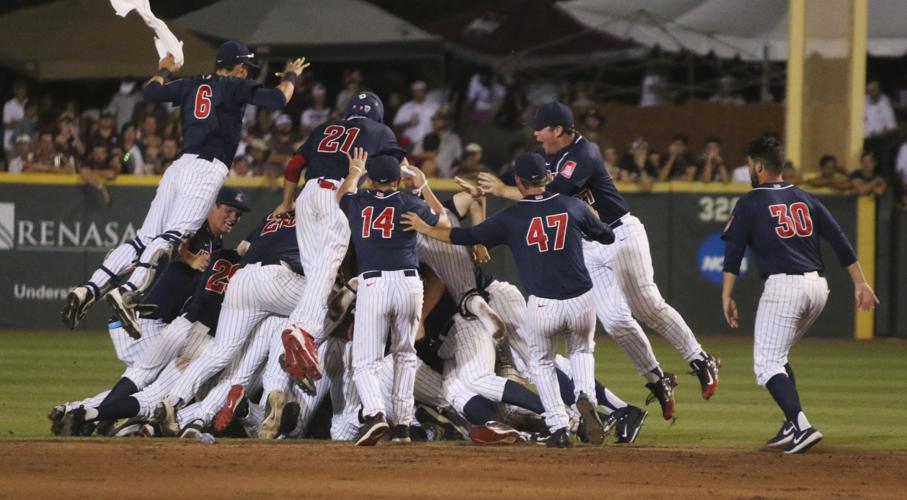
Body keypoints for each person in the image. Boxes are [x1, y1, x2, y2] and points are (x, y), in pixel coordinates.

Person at [475, 102, 721, 420]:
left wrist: (503, 191)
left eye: (541, 127)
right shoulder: (545, 157)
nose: (535, 132)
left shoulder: (584, 153)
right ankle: (658, 380)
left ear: (559, 130)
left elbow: (556, 194)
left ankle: (700, 359)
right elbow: (517, 176)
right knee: (615, 321)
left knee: (647, 304)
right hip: (588, 245)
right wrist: (481, 186)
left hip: (620, 233)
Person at [60, 41, 307, 337]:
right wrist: (291, 75)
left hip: (179, 166)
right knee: (173, 236)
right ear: (239, 66)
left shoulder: (191, 84)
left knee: (143, 239)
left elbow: (150, 92)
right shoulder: (233, 85)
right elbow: (280, 99)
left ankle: (91, 287)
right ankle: (127, 290)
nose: (246, 73)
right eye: (246, 68)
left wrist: (165, 67)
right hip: (206, 169)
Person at [405, 152, 616, 448]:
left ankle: (558, 426)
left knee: (540, 364)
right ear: (549, 177)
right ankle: (586, 398)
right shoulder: (573, 205)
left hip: (542, 304)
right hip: (581, 298)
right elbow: (607, 237)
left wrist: (427, 228)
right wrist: (594, 219)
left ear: (518, 181)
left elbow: (464, 236)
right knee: (582, 352)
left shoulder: (512, 216)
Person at [721, 135, 879, 454]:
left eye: (751, 163)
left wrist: (726, 295)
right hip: (818, 288)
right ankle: (789, 424)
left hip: (784, 287)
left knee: (766, 364)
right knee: (778, 357)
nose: (750, 168)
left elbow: (734, 252)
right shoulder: (806, 197)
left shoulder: (751, 201)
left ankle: (802, 426)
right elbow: (839, 239)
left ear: (760, 166)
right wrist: (860, 282)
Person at [273, 90, 403, 387]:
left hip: (307, 196)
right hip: (339, 193)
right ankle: (301, 331)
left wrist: (285, 201)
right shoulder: (379, 130)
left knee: (317, 275)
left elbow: (294, 165)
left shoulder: (325, 127)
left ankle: (303, 344)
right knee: (327, 266)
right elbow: (396, 169)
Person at [337, 149, 449, 445]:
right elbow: (445, 223)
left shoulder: (359, 202)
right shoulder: (410, 202)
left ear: (372, 181)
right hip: (410, 284)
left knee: (364, 361)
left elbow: (341, 195)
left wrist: (356, 171)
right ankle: (402, 425)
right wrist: (422, 185)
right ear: (399, 180)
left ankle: (375, 416)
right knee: (405, 355)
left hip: (374, 284)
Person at [393, 81, 439, 150]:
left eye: (421, 91)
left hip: (428, 144)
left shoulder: (434, 106)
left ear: (425, 92)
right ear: (413, 93)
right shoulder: (406, 107)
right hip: (408, 144)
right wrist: (409, 123)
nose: (419, 93)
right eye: (416, 91)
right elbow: (395, 126)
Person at [3, 80, 28, 155]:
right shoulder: (8, 105)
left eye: (24, 89)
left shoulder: (28, 103)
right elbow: (7, 125)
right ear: (16, 91)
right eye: (20, 89)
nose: (23, 91)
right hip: (11, 145)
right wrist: (22, 122)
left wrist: (16, 122)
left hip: (25, 144)